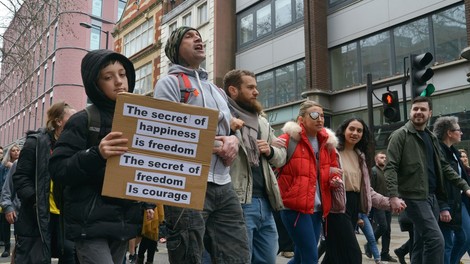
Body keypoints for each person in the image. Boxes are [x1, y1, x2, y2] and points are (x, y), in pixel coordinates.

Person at [153, 26, 250, 263]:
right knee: (188, 254)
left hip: (223, 184)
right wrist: (217, 144)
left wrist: (234, 140)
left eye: (199, 35)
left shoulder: (216, 90)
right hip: (187, 183)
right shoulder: (168, 83)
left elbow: (229, 130)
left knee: (237, 255)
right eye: (189, 36)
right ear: (175, 48)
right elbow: (166, 133)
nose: (198, 38)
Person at [49, 49, 155, 264]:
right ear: (95, 84)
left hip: (123, 223)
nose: (118, 82)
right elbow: (59, 169)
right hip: (89, 225)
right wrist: (97, 154)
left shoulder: (140, 120)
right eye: (108, 77)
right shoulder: (82, 120)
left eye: (123, 74)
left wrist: (147, 201)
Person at [385, 96, 470, 264]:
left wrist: (465, 186)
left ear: (430, 113)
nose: (418, 112)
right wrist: (393, 196)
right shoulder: (400, 135)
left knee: (420, 243)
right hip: (413, 197)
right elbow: (391, 167)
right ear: (410, 112)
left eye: (423, 109)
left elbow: (444, 167)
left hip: (431, 197)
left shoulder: (431, 137)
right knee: (436, 240)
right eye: (415, 109)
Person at [223, 69, 286, 263]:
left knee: (268, 259)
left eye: (256, 87)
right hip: (238, 201)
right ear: (233, 90)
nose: (256, 92)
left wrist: (270, 151)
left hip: (266, 203)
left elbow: (281, 157)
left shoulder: (262, 122)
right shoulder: (223, 117)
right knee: (239, 259)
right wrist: (228, 128)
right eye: (250, 87)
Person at [276, 100, 341, 264]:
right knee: (311, 257)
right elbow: (273, 166)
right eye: (313, 115)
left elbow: (332, 168)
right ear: (301, 119)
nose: (319, 119)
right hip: (295, 208)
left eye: (322, 115)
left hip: (318, 209)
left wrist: (334, 179)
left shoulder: (327, 144)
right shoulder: (288, 140)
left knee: (300, 257)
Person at [12, 102, 76, 263]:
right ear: (58, 121)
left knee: (70, 255)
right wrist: (35, 200)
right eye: (72, 117)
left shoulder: (74, 145)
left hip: (64, 216)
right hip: (37, 216)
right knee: (36, 257)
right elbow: (20, 177)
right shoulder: (35, 143)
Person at [332, 117, 403, 264]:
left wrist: (389, 202)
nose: (355, 133)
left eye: (359, 130)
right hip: (337, 208)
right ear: (344, 130)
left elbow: (367, 190)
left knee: (333, 255)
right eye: (351, 129)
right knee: (353, 255)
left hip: (354, 207)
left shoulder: (361, 157)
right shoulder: (332, 151)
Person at [433, 116, 470, 264]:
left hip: (459, 201)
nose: (461, 133)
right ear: (449, 132)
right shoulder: (439, 152)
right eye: (458, 130)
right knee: (446, 243)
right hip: (446, 203)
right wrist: (443, 206)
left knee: (464, 238)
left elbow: (462, 177)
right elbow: (437, 182)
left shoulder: (453, 152)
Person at [367, 151, 397, 262]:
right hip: (378, 204)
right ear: (376, 159)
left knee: (387, 230)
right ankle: (369, 245)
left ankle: (385, 253)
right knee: (383, 226)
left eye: (385, 157)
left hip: (388, 203)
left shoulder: (387, 172)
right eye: (381, 157)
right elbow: (370, 189)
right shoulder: (373, 171)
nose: (384, 159)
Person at [0, 143, 20, 257]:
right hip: (5, 197)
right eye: (13, 150)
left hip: (16, 199)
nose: (16, 152)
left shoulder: (20, 164)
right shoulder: (3, 166)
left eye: (18, 150)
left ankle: (14, 250)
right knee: (5, 223)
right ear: (10, 153)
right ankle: (7, 247)